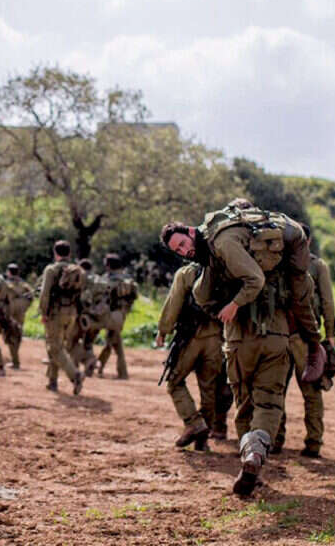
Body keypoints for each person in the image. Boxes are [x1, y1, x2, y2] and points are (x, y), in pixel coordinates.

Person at [161, 202, 321, 496]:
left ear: (192, 231)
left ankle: (249, 458)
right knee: (269, 401)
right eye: (179, 250)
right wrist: (314, 340)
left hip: (237, 338)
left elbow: (204, 294)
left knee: (244, 403)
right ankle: (255, 452)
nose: (184, 251)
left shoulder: (218, 250)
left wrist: (229, 306)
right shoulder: (278, 258)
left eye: (183, 244)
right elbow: (303, 301)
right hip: (276, 334)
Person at [274, 224, 335, 457]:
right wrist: (329, 335)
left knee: (293, 391)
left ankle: (288, 441)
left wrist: (329, 335)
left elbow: (327, 302)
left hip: (297, 336)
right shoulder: (286, 263)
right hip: (291, 336)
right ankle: (310, 443)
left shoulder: (315, 266)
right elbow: (327, 302)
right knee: (286, 391)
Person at [155, 262, 224, 452]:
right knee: (209, 388)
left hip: (191, 337)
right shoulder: (225, 270)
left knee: (174, 382)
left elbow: (174, 302)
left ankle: (194, 423)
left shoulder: (187, 272)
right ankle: (202, 440)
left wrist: (163, 330)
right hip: (216, 339)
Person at [39, 241, 86, 395]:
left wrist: (44, 312)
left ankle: (75, 375)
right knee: (58, 346)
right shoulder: (78, 271)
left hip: (56, 313)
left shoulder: (51, 270)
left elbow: (44, 294)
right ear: (69, 254)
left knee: (54, 347)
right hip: (72, 313)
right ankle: (52, 381)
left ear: (55, 253)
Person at [97, 254, 138, 379]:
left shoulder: (108, 278)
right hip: (122, 314)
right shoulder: (127, 278)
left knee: (110, 342)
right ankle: (120, 371)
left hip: (111, 314)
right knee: (115, 342)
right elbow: (134, 296)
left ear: (109, 266)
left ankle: (95, 366)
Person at [4, 264, 33, 370]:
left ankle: (15, 361)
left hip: (9, 313)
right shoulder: (24, 285)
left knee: (9, 336)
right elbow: (31, 297)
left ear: (8, 272)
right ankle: (15, 358)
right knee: (18, 334)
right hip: (20, 313)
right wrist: (24, 307)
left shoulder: (6, 284)